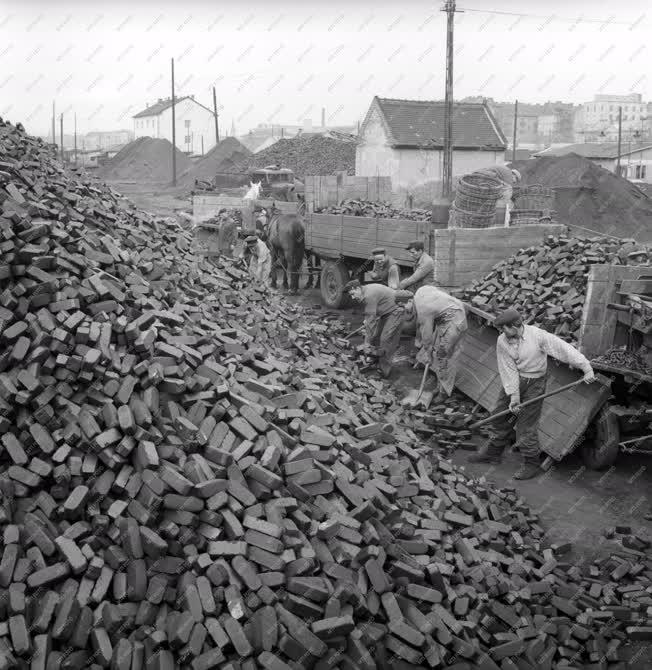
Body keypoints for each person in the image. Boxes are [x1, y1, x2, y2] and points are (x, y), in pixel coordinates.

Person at [468, 308, 595, 480]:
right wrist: (514, 396)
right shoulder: (502, 341)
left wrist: (586, 367)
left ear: (515, 325)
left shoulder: (537, 336)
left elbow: (562, 348)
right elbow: (508, 368)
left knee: (526, 425)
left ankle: (531, 463)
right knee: (499, 415)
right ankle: (493, 452)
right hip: (514, 379)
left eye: (504, 328)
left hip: (535, 383)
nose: (501, 332)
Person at [413, 286, 468, 400]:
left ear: (410, 301)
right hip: (449, 313)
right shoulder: (419, 292)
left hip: (454, 320)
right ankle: (440, 386)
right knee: (439, 355)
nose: (406, 312)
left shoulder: (423, 308)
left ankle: (444, 392)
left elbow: (426, 337)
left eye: (405, 309)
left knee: (443, 357)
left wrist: (428, 354)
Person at [344, 280, 406, 378]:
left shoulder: (369, 295)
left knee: (386, 339)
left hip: (396, 311)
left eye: (353, 294)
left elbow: (370, 323)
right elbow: (370, 316)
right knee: (376, 337)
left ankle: (384, 371)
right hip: (386, 313)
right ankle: (375, 359)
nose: (353, 297)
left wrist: (366, 344)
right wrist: (368, 321)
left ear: (357, 288)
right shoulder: (364, 291)